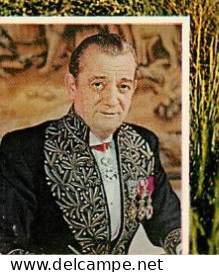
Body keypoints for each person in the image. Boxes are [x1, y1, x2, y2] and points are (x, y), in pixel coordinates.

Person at [0, 32, 182, 255]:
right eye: (98, 84)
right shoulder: (23, 149)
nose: (112, 99)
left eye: (123, 86)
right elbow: (7, 248)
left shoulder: (143, 143)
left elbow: (166, 220)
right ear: (72, 85)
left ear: (134, 88)